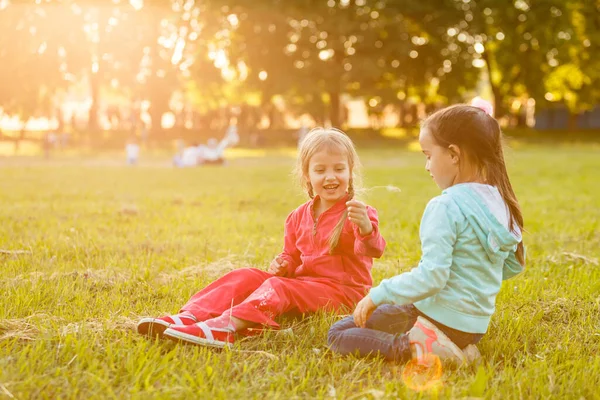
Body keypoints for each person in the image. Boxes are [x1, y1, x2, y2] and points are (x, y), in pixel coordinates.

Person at [137, 128, 386, 348]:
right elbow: (292, 255)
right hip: (302, 286)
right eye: (320, 170)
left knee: (278, 287)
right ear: (307, 175)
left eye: (339, 169)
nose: (330, 176)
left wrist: (365, 228)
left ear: (350, 173)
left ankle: (224, 328)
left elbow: (374, 249)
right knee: (246, 275)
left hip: (341, 294)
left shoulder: (357, 212)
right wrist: (284, 263)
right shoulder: (297, 216)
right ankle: (191, 316)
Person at [328, 101, 525, 366]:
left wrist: (377, 294)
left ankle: (419, 348)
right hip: (474, 327)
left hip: (438, 317)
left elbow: (432, 277)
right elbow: (511, 265)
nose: (427, 166)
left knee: (339, 333)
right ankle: (458, 347)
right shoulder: (500, 201)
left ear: (454, 154)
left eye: (428, 155)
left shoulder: (446, 205)